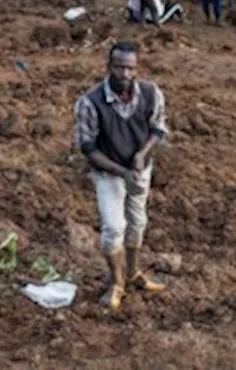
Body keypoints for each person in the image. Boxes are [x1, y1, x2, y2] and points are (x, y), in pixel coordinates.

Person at [73, 42, 169, 311]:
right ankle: (117, 282)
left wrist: (142, 154)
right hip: (109, 172)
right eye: (119, 67)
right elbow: (87, 147)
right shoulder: (90, 102)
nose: (125, 74)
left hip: (139, 168)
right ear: (108, 67)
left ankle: (133, 273)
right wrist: (122, 172)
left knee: (138, 221)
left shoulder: (151, 94)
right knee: (113, 227)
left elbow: (158, 129)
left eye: (130, 68)